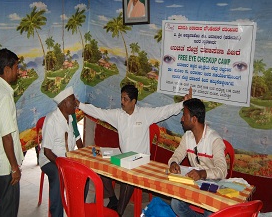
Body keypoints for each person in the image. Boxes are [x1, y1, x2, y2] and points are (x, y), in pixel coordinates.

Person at [76, 84, 192, 216]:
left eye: (125, 99)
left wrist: (183, 104)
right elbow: (100, 113)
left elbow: (164, 111)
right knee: (100, 166)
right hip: (122, 155)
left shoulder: (144, 114)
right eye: (121, 98)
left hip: (140, 160)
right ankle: (113, 199)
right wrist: (80, 105)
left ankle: (119, 212)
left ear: (134, 102)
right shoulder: (118, 115)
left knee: (128, 176)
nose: (122, 102)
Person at [168, 98, 227, 217]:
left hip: (213, 182)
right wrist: (173, 163)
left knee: (209, 208)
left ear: (194, 119)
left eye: (184, 115)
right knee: (176, 204)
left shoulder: (214, 140)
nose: (182, 119)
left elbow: (222, 171)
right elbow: (177, 155)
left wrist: (202, 173)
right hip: (195, 182)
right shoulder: (187, 136)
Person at [0, 48, 24, 217]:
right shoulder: (3, 95)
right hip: (5, 166)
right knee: (8, 210)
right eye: (16, 68)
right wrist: (14, 168)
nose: (19, 72)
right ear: (7, 69)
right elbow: (7, 136)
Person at [39, 86, 84, 217]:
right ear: (65, 103)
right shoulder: (52, 119)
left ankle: (76, 211)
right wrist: (62, 165)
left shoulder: (70, 118)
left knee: (84, 176)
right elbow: (47, 151)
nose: (75, 103)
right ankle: (56, 214)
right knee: (58, 177)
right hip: (50, 160)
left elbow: (76, 140)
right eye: (73, 100)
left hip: (66, 159)